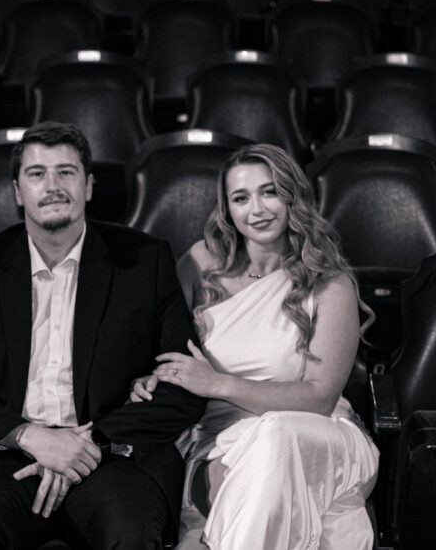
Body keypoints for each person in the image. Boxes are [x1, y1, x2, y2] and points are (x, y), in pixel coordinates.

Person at [0, 121, 206, 550]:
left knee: (133, 536)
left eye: (66, 172)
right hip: (3, 455)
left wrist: (89, 442)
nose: (52, 185)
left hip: (110, 456)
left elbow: (184, 387)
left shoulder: (144, 262)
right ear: (17, 191)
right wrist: (30, 437)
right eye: (37, 174)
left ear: (88, 185)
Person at [130, 143, 380, 550]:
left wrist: (217, 384)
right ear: (227, 209)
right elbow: (160, 349)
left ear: (291, 196)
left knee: (277, 435)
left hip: (319, 435)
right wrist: (151, 376)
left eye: (270, 192)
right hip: (219, 441)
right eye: (241, 198)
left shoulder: (331, 283)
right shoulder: (198, 265)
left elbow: (318, 398)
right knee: (266, 462)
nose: (258, 209)